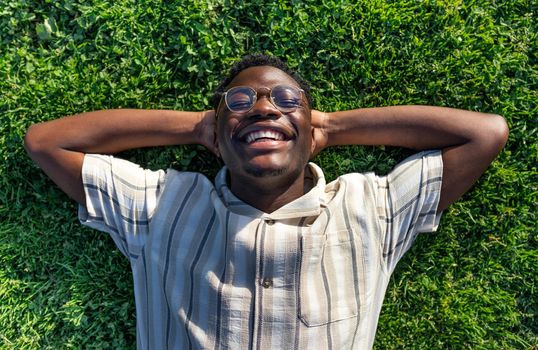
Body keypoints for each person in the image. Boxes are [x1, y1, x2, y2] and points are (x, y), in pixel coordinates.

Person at [24, 54, 508, 349]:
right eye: (237, 102)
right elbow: (48, 143)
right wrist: (196, 127)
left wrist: (331, 127)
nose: (262, 106)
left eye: (284, 99)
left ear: (311, 127)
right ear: (217, 136)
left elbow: (484, 134)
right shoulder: (162, 206)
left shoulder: (370, 210)